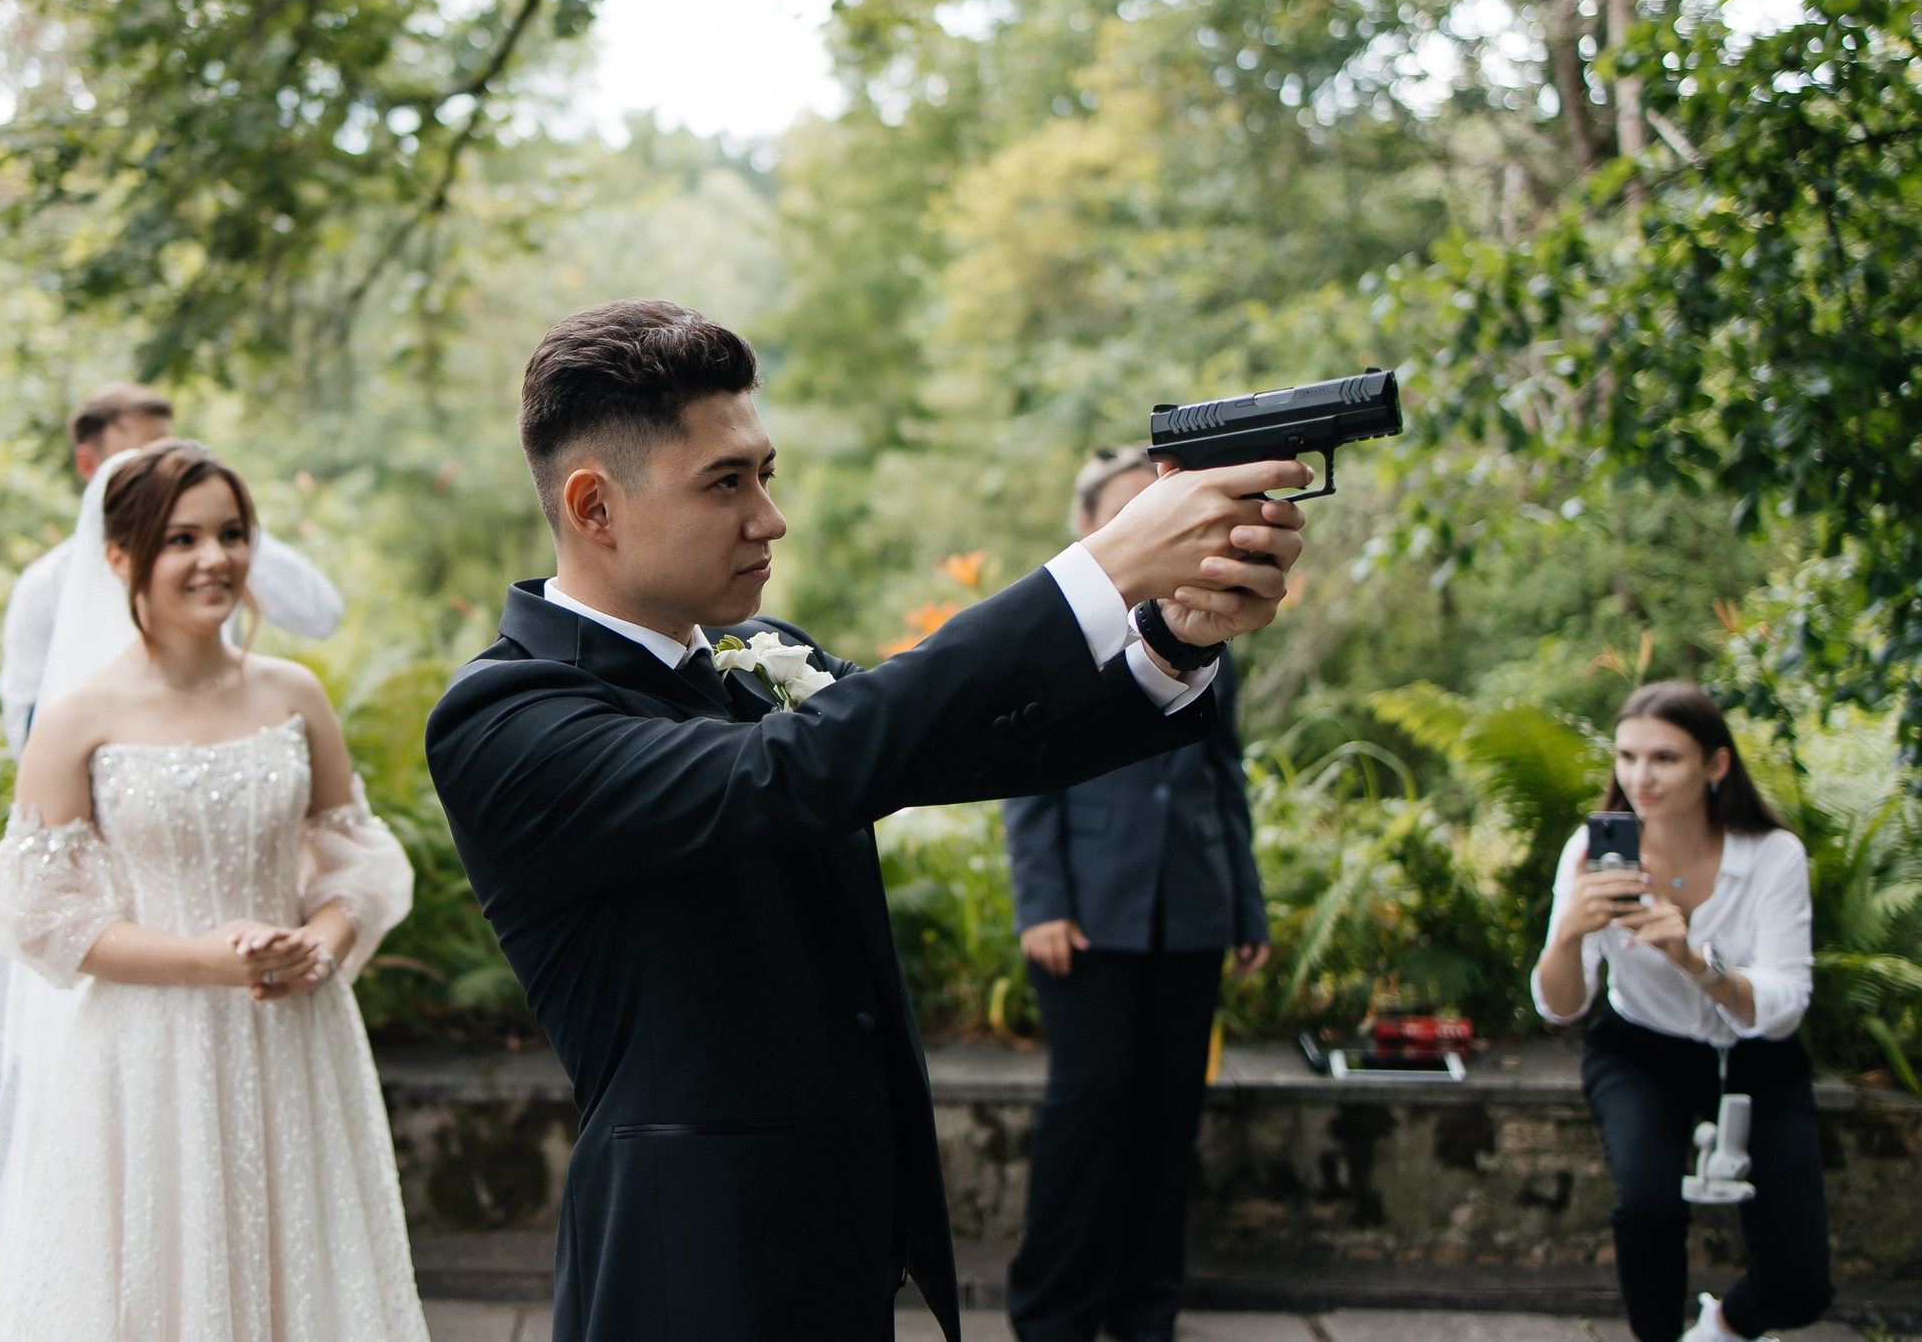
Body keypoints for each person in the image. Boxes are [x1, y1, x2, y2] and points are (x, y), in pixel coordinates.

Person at [423, 300, 1311, 1342]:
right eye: (725, 482)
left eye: (765, 472)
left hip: (839, 1234)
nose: (768, 516)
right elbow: (790, 771)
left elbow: (943, 742)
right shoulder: (504, 714)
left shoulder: (752, 649)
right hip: (690, 1259)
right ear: (594, 507)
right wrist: (1099, 570)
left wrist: (1167, 640)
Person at [0, 440, 422, 1342]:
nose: (215, 558)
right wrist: (207, 959)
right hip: (146, 1044)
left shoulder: (295, 693)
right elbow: (46, 917)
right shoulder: (76, 719)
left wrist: (319, 942)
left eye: (232, 534)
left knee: (307, 1261)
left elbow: (352, 859)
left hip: (294, 1027)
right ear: (122, 558)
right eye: (182, 539)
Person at [1000, 445, 1274, 1342]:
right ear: (1091, 528)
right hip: (1087, 915)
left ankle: (1145, 1311)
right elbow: (1026, 774)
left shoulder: (1210, 621)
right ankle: (1053, 1314)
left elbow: (1223, 777)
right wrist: (1041, 901)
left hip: (1190, 908)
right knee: (1088, 1113)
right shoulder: (1058, 631)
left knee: (1168, 1116)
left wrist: (1246, 903)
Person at [1533, 682, 1831, 1342]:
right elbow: (1562, 1005)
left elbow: (1783, 1008)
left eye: (1665, 757)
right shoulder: (1589, 854)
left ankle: (1720, 1327)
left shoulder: (1773, 856)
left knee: (1800, 1284)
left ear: (1716, 764)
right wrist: (1569, 934)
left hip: (1760, 1058)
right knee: (1647, 1209)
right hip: (1640, 1050)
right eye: (1628, 756)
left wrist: (1694, 959)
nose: (1641, 776)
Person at [0, 382, 346, 756]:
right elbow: (25, 731)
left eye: (169, 452)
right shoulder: (45, 585)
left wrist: (225, 522)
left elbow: (321, 614)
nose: (163, 472)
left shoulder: (221, 560)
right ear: (87, 464)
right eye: (141, 458)